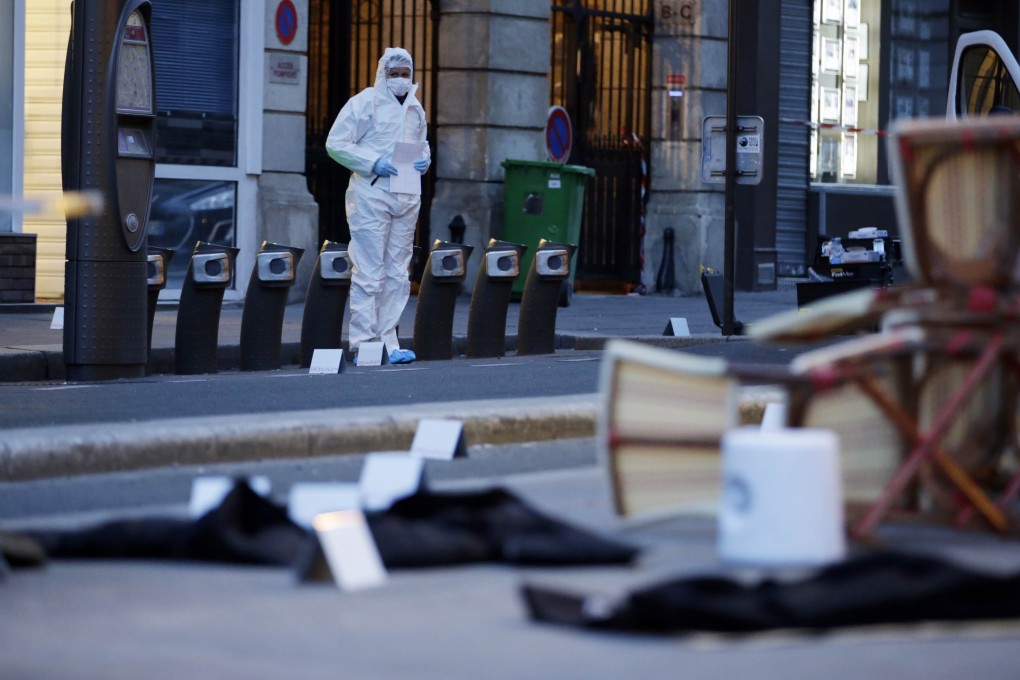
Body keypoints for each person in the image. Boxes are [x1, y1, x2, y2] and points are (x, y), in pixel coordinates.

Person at [326, 47, 430, 365]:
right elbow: (336, 144)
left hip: (406, 195)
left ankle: (389, 340)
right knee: (369, 272)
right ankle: (362, 342)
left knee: (398, 273)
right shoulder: (364, 103)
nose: (400, 79)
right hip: (371, 195)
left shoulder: (415, 109)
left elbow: (421, 143)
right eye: (394, 73)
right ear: (382, 73)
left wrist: (425, 160)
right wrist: (374, 162)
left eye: (405, 73)